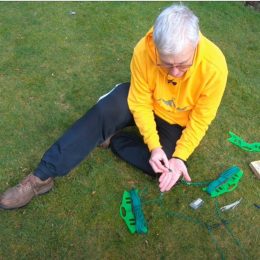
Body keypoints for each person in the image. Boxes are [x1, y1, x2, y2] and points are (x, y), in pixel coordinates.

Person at [0, 4, 228, 210]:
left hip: (176, 121)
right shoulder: (144, 50)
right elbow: (139, 101)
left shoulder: (215, 67)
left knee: (169, 170)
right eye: (166, 64)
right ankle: (40, 178)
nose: (175, 72)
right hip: (143, 101)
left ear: (196, 44)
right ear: (155, 46)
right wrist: (153, 144)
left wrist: (179, 157)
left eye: (183, 65)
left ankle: (116, 138)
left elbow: (201, 119)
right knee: (104, 111)